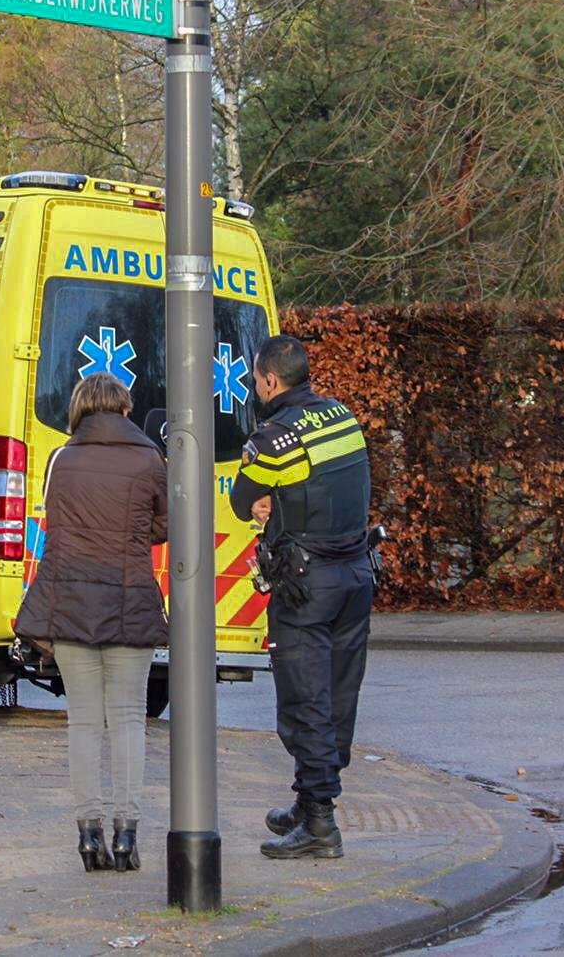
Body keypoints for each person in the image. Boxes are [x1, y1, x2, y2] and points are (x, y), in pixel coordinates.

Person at [15, 372, 168, 873]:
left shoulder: (61, 459)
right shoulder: (149, 457)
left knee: (83, 722)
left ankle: (88, 835)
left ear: (79, 411)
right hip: (130, 602)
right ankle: (126, 836)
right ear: (125, 410)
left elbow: (54, 521)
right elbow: (164, 523)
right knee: (127, 719)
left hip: (71, 604)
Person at [229, 334, 373, 860]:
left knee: (304, 700)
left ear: (270, 381)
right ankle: (310, 800)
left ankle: (319, 826)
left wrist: (266, 502)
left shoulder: (274, 439)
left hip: (307, 585)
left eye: (256, 381)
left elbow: (242, 500)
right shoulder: (342, 416)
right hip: (356, 576)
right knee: (337, 695)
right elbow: (336, 486)